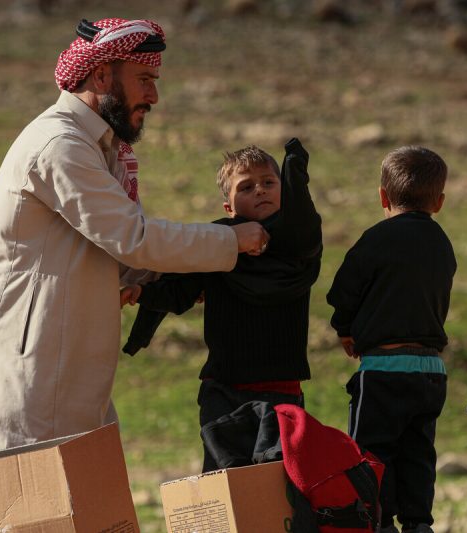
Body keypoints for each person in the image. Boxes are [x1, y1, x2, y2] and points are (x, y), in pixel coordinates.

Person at [0, 17, 269, 463]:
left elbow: (110, 248)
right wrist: (232, 242)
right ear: (100, 75)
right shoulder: (60, 144)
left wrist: (157, 281)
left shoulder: (96, 146)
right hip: (26, 365)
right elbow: (131, 236)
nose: (153, 96)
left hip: (64, 362)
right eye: (144, 80)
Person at [122, 139, 322, 472]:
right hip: (224, 392)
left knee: (277, 486)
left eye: (269, 182)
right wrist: (141, 292)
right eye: (246, 186)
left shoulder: (299, 248)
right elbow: (180, 290)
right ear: (228, 206)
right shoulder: (216, 244)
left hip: (282, 392)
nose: (260, 190)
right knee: (225, 484)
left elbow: (305, 225)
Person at [326, 146, 457, 533]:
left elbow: (343, 291)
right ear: (439, 202)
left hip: (382, 370)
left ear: (383, 196)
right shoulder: (442, 245)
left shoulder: (375, 239)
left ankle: (376, 524)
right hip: (431, 370)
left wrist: (345, 329)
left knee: (372, 453)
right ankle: (418, 523)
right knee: (418, 452)